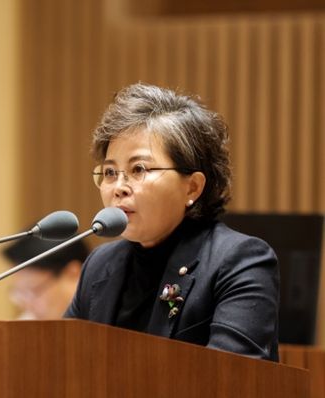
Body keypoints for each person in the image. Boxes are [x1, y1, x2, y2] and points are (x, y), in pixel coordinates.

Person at [65, 83, 279, 361]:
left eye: (138, 169)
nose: (118, 187)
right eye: (109, 172)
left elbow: (229, 380)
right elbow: (65, 363)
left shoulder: (239, 262)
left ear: (192, 187)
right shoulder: (100, 264)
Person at [2, 237, 88, 320]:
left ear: (73, 274)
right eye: (20, 292)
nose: (25, 305)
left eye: (33, 291)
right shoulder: (29, 321)